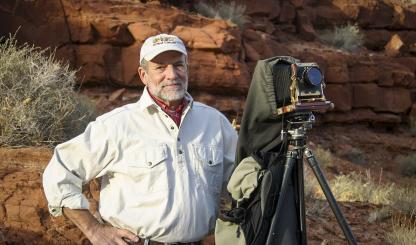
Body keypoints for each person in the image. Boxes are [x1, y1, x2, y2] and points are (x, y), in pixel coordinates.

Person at [43, 33, 238, 245]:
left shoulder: (215, 122)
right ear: (143, 75)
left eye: (178, 65)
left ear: (187, 69)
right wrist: (94, 230)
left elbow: (242, 183)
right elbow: (60, 171)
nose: (172, 74)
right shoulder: (116, 125)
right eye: (160, 67)